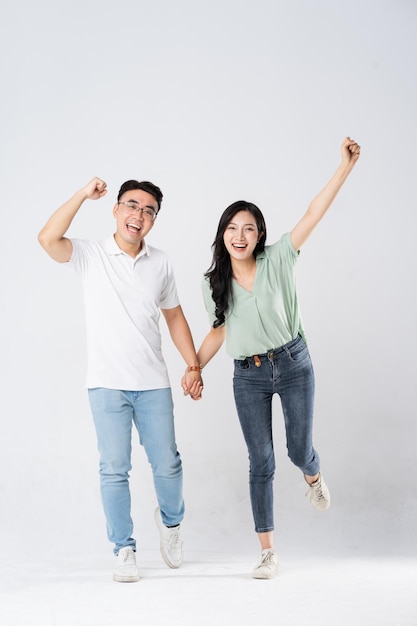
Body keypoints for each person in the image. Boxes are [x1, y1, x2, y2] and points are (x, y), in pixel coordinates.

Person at [184, 137, 361, 579]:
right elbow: (218, 331)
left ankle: (314, 476)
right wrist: (194, 367)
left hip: (294, 363)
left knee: (298, 450)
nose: (239, 236)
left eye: (247, 228)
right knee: (260, 461)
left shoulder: (280, 257)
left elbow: (313, 213)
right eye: (231, 228)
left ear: (259, 233)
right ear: (221, 234)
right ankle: (267, 551)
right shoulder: (213, 284)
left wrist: (344, 167)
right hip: (248, 377)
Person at [38, 177, 203, 583]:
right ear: (115, 209)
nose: (139, 215)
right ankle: (124, 549)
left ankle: (172, 524)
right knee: (114, 468)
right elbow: (47, 238)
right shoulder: (91, 255)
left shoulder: (160, 262)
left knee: (167, 463)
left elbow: (175, 316)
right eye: (132, 206)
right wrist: (81, 195)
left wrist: (194, 365)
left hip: (153, 383)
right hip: (106, 383)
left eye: (148, 211)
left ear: (154, 220)